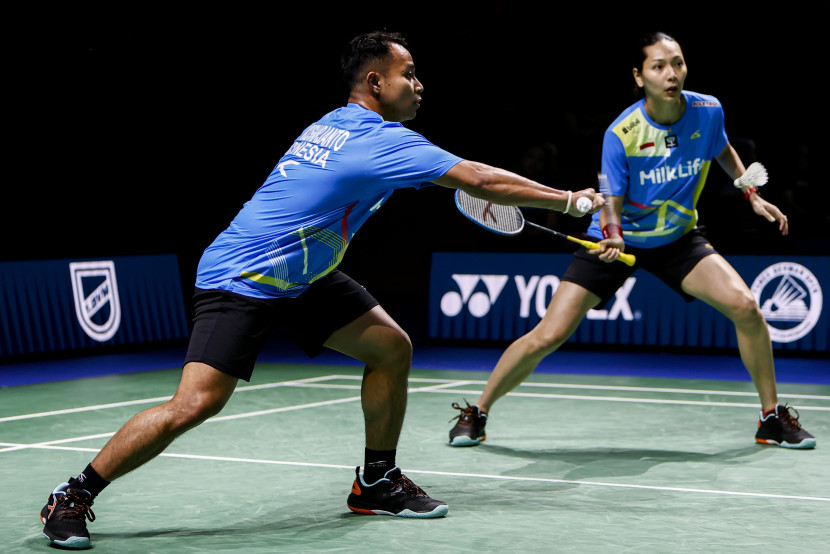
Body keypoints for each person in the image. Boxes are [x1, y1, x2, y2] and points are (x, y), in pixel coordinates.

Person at [39, 31, 603, 549]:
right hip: (246, 275)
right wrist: (569, 202)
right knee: (194, 404)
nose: (419, 83)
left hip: (302, 274)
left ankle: (377, 482)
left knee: (390, 346)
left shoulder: (334, 123)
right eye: (409, 72)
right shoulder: (380, 141)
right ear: (375, 83)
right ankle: (72, 495)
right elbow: (480, 179)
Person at [448, 31, 815, 452]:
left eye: (677, 63)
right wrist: (614, 237)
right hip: (617, 240)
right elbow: (610, 200)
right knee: (549, 334)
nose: (671, 73)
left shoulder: (708, 110)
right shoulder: (621, 133)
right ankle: (477, 411)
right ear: (639, 77)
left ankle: (770, 418)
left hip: (679, 240)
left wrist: (751, 193)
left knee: (746, 308)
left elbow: (723, 149)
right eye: (658, 66)